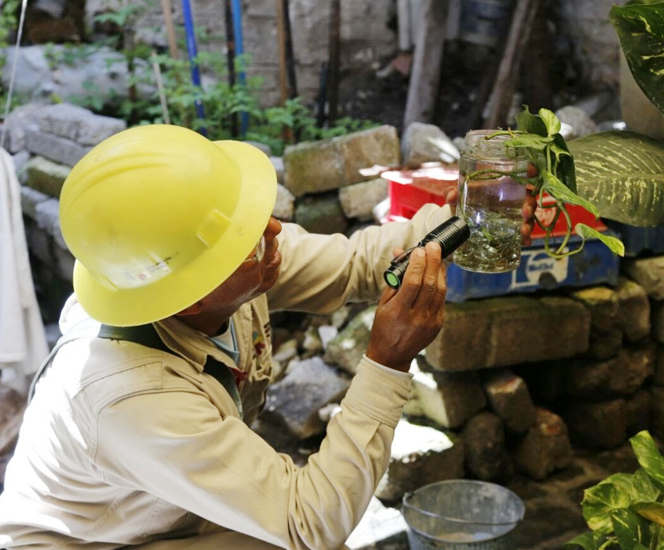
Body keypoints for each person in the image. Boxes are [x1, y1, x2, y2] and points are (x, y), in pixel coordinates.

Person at [0, 124, 537, 549]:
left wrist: (464, 219)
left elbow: (355, 265)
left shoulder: (215, 276)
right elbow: (311, 525)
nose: (274, 231)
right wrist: (387, 360)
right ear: (191, 294)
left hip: (164, 518)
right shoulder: (129, 397)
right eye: (243, 237)